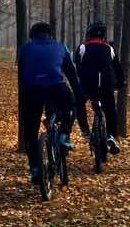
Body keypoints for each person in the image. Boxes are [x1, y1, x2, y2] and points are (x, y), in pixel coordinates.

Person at [17, 22, 84, 186]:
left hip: (31, 91)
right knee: (71, 105)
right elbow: (71, 74)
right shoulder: (61, 47)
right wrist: (79, 94)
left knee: (30, 131)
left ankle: (34, 167)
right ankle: (63, 135)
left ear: (32, 35)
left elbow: (22, 74)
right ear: (50, 34)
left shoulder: (24, 49)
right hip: (56, 88)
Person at [73, 21, 124, 154]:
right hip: (107, 84)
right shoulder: (109, 48)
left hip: (87, 84)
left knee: (79, 103)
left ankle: (85, 130)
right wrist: (121, 82)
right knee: (110, 108)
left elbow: (77, 65)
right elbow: (117, 68)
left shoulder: (82, 48)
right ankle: (112, 135)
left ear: (89, 34)